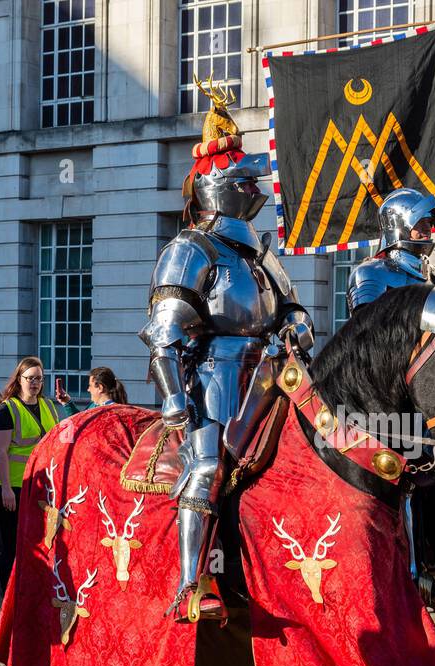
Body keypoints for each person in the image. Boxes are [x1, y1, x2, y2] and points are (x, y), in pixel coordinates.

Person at [138, 87, 314, 622]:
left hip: (270, 374)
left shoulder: (260, 254)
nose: (255, 190)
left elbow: (295, 310)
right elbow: (163, 332)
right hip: (212, 377)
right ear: (223, 190)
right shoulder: (192, 248)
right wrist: (173, 398)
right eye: (247, 182)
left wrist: (298, 330)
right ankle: (190, 585)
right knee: (209, 466)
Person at [0, 357, 64, 592]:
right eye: (30, 378)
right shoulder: (6, 409)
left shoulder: (49, 406)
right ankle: (8, 594)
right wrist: (5, 489)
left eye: (39, 379)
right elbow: (1, 453)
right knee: (10, 544)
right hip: (13, 485)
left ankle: (30, 591)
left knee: (39, 541)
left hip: (41, 485)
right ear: (19, 380)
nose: (34, 383)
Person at [345, 187, 435, 315]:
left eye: (429, 222)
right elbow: (366, 329)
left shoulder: (434, 277)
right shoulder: (371, 273)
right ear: (399, 225)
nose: (427, 228)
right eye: (420, 222)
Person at [54, 366, 128, 414]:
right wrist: (67, 402)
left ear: (100, 388)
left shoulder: (111, 412)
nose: (88, 390)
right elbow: (80, 422)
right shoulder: (94, 406)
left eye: (90, 385)